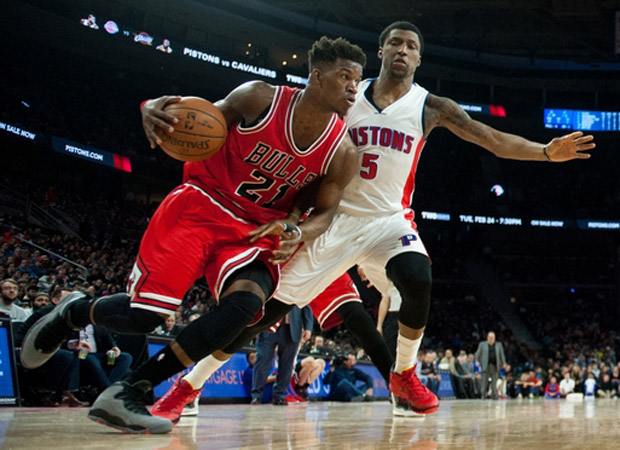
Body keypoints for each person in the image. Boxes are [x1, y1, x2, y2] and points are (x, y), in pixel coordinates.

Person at [117, 19, 598, 420]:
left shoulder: (430, 107)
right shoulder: (345, 96)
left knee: (419, 277)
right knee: (260, 317)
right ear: (382, 51)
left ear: (419, 59)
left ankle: (403, 374)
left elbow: (489, 138)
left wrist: (545, 152)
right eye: (395, 43)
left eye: (412, 46)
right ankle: (188, 387)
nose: (403, 51)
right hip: (331, 222)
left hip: (389, 219)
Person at [20, 36, 366, 434]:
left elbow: (325, 214)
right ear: (317, 77)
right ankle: (74, 312)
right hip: (203, 205)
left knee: (244, 309)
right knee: (144, 316)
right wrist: (155, 109)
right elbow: (191, 122)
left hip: (256, 230)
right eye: (345, 78)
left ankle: (129, 390)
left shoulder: (343, 151)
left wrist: (295, 229)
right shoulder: (259, 99)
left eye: (357, 81)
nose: (354, 89)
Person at [475, 331, 507, 400]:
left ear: (495, 338)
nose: (491, 338)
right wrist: (477, 360)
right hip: (485, 366)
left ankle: (495, 396)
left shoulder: (499, 345)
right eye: (490, 337)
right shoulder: (482, 344)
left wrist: (504, 363)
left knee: (494, 383)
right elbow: (477, 354)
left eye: (493, 337)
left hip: (495, 366)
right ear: (487, 337)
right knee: (484, 383)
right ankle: (483, 396)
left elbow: (502, 355)